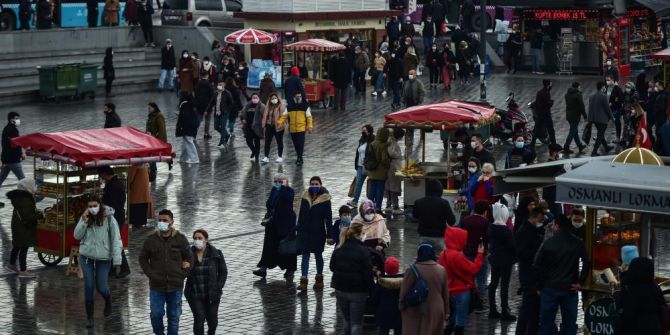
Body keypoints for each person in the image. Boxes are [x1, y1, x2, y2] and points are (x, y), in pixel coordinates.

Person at [534, 215, 591, 335]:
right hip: (570, 288)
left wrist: (539, 285)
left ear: (557, 226)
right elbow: (587, 262)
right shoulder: (577, 242)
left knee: (546, 324)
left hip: (550, 288)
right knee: (569, 324)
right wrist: (580, 281)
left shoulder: (549, 242)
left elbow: (537, 265)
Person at [139, 209, 192, 335]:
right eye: (160, 220)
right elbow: (142, 258)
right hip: (156, 286)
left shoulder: (180, 239)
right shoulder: (151, 239)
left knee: (174, 317)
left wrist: (183, 274)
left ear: (171, 222)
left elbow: (189, 258)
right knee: (156, 315)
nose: (162, 222)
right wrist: (150, 274)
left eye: (165, 220)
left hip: (175, 286)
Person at [73, 195, 122, 328]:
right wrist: (83, 222)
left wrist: (117, 261)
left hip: (103, 257)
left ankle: (108, 300)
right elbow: (76, 235)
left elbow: (116, 239)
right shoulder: (85, 217)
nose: (93, 208)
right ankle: (90, 318)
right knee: (89, 285)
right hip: (86, 256)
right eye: (90, 206)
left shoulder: (109, 218)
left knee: (101, 286)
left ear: (100, 205)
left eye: (95, 205)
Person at [439, 226, 484, 335]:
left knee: (453, 315)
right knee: (461, 318)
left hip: (449, 291)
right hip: (462, 291)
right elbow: (473, 269)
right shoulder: (457, 256)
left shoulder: (443, 254)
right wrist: (480, 254)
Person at [330, 222, 373, 335]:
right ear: (358, 235)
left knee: (347, 320)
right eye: (363, 233)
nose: (365, 235)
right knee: (356, 323)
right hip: (358, 291)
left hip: (340, 289)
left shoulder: (339, 248)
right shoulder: (364, 251)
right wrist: (372, 290)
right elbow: (368, 275)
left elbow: (331, 267)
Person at [399, 243, 450, 334]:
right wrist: (446, 312)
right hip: (436, 309)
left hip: (415, 308)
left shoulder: (412, 270)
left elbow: (404, 291)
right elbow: (445, 294)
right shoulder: (442, 270)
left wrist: (402, 306)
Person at [253, 174, 297, 279]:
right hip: (273, 223)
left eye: (280, 182)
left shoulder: (289, 191)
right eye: (276, 181)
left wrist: (283, 188)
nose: (278, 184)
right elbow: (269, 204)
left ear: (286, 182)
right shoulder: (274, 190)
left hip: (286, 224)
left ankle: (290, 270)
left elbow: (288, 199)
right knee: (268, 247)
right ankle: (263, 268)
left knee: (287, 248)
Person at [185, 229, 228, 335]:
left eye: (200, 238)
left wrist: (218, 287)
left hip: (212, 294)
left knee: (212, 322)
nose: (197, 240)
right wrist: (184, 267)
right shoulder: (188, 255)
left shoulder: (216, 254)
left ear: (206, 240)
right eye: (195, 238)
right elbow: (182, 273)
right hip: (195, 294)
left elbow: (223, 272)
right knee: (199, 319)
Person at [296, 176, 332, 291]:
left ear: (320, 185)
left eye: (316, 184)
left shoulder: (325, 199)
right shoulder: (305, 196)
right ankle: (303, 281)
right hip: (305, 231)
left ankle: (319, 278)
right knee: (305, 255)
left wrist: (329, 235)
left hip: (318, 232)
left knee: (318, 255)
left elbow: (328, 218)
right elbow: (301, 214)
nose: (314, 186)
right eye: (312, 184)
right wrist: (298, 229)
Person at [514, 208, 546, 335]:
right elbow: (521, 254)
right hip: (528, 275)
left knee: (534, 309)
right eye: (540, 219)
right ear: (533, 217)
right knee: (528, 307)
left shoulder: (534, 230)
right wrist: (538, 255)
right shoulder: (524, 231)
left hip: (533, 275)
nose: (541, 222)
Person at [619, 257, 667, 335]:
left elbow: (627, 314)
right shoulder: (654, 286)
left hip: (635, 329)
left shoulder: (634, 289)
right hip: (655, 327)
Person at [98, 166, 130, 278]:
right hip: (116, 216)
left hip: (115, 217)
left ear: (105, 174)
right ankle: (111, 268)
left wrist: (102, 205)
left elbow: (112, 204)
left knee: (115, 242)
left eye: (101, 175)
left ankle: (125, 268)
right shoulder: (114, 183)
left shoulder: (114, 186)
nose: (101, 178)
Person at [487, 202, 517, 321]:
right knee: (504, 285)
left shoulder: (491, 227)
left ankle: (492, 309)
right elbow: (512, 246)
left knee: (493, 283)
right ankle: (504, 310)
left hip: (494, 258)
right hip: (505, 260)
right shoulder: (506, 230)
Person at [5, 178, 40, 278]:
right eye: (33, 185)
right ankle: (23, 271)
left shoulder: (19, 197)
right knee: (24, 247)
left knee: (17, 245)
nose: (35, 186)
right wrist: (40, 216)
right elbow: (28, 217)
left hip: (17, 225)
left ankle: (11, 265)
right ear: (28, 187)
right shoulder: (25, 199)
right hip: (23, 227)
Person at [459, 200, 489, 310]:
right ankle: (479, 303)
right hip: (480, 254)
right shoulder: (485, 222)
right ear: (485, 211)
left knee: (467, 279)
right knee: (481, 279)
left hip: (466, 253)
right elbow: (487, 238)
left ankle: (466, 301)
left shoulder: (465, 220)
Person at [413, 179, 455, 253]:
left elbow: (415, 216)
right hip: (439, 237)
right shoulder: (444, 203)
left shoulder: (418, 202)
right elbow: (452, 221)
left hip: (424, 236)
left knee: (424, 259)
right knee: (439, 260)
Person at [277, 92, 312, 166]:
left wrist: (309, 126)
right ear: (293, 98)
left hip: (301, 129)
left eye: (299, 96)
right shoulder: (289, 107)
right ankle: (299, 157)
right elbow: (284, 116)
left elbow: (309, 117)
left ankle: (299, 158)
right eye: (297, 96)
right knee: (296, 144)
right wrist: (280, 123)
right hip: (292, 129)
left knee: (300, 144)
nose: (298, 98)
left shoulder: (305, 106)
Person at [371, 256, 403, 335]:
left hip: (383, 314)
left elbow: (375, 299)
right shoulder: (403, 282)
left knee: (383, 331)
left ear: (386, 268)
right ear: (397, 268)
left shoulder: (381, 281)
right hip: (398, 314)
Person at [0, 112, 26, 207]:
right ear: (12, 119)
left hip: (7, 160)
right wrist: (22, 154)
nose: (18, 120)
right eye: (16, 118)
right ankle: (25, 200)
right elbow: (16, 144)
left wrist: (3, 160)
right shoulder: (12, 130)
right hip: (13, 160)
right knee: (23, 180)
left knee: (1, 179)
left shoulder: (6, 129)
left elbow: (5, 146)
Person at [347, 124, 375, 207]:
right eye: (363, 130)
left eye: (365, 130)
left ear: (369, 131)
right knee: (358, 183)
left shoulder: (373, 140)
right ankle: (355, 200)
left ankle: (371, 201)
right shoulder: (362, 140)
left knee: (371, 184)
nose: (363, 132)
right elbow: (358, 152)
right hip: (360, 165)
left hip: (369, 166)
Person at [365, 128, 391, 211]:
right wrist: (388, 164)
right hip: (381, 172)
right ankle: (378, 208)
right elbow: (384, 159)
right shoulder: (384, 145)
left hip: (372, 170)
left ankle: (369, 207)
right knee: (379, 190)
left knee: (372, 190)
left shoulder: (372, 143)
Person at [588, 82, 614, 156]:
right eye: (604, 87)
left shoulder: (592, 96)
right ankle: (594, 151)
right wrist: (612, 118)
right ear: (602, 87)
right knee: (600, 135)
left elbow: (590, 108)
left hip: (595, 119)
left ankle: (606, 147)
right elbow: (608, 109)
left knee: (600, 133)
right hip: (602, 120)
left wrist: (590, 119)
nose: (605, 88)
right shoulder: (603, 96)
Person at [145, 102, 169, 182]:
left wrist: (157, 139)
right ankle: (152, 174)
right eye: (148, 108)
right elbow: (148, 127)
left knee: (153, 158)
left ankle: (153, 175)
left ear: (154, 108)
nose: (148, 110)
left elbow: (162, 130)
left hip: (156, 141)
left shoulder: (159, 116)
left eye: (149, 108)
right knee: (152, 157)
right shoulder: (150, 116)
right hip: (150, 140)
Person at [563, 82, 587, 154]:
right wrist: (585, 116)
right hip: (575, 116)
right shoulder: (578, 95)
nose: (580, 88)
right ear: (577, 87)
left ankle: (579, 146)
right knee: (572, 131)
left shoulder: (567, 94)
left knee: (575, 131)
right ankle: (566, 147)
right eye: (579, 87)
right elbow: (581, 107)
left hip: (569, 115)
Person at [260, 93, 285, 164]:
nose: (274, 100)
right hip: (269, 126)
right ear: (270, 100)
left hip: (278, 126)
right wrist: (264, 123)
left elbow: (283, 116)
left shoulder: (281, 106)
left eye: (275, 98)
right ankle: (266, 156)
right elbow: (265, 115)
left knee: (279, 141)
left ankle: (280, 156)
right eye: (272, 98)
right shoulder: (268, 106)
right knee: (267, 141)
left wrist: (281, 124)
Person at [176, 91, 200, 164]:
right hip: (192, 125)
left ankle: (194, 159)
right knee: (185, 142)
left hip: (187, 126)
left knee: (188, 141)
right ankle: (183, 158)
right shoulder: (191, 103)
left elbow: (185, 116)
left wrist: (181, 125)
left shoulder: (184, 104)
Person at [530, 79, 556, 146]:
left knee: (537, 129)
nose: (551, 85)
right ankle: (554, 143)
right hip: (546, 114)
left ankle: (532, 142)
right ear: (548, 84)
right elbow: (548, 104)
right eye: (551, 84)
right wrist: (551, 102)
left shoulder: (540, 92)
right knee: (551, 129)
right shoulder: (546, 93)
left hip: (540, 114)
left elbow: (537, 103)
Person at [240, 93, 265, 161]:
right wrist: (243, 119)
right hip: (248, 126)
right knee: (248, 140)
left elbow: (265, 115)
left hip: (257, 126)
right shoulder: (247, 105)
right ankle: (254, 150)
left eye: (256, 97)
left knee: (257, 141)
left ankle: (257, 156)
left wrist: (263, 122)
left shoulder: (262, 106)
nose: (254, 99)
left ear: (258, 98)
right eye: (253, 97)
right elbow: (242, 113)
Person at [385, 128, 404, 213]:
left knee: (389, 187)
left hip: (391, 167)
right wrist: (399, 155)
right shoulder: (392, 143)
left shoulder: (391, 141)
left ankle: (388, 205)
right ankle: (395, 207)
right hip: (393, 168)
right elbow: (391, 153)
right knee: (394, 187)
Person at [128, 164, 152, 229]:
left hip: (136, 190)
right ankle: (141, 222)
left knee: (136, 207)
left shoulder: (135, 165)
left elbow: (130, 177)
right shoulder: (146, 164)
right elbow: (149, 172)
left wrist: (128, 184)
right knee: (142, 207)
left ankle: (136, 223)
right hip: (144, 190)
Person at [606, 75, 625, 142]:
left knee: (617, 122)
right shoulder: (607, 88)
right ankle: (600, 136)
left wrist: (613, 102)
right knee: (604, 122)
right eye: (606, 80)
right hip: (607, 109)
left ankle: (618, 137)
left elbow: (621, 98)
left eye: (608, 80)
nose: (607, 81)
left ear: (612, 80)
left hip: (615, 109)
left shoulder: (617, 88)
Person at [653, 81, 668, 153]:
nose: (655, 87)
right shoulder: (661, 94)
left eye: (656, 86)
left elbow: (661, 108)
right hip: (660, 118)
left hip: (660, 119)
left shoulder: (662, 95)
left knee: (659, 134)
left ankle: (657, 151)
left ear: (660, 86)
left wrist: (655, 113)